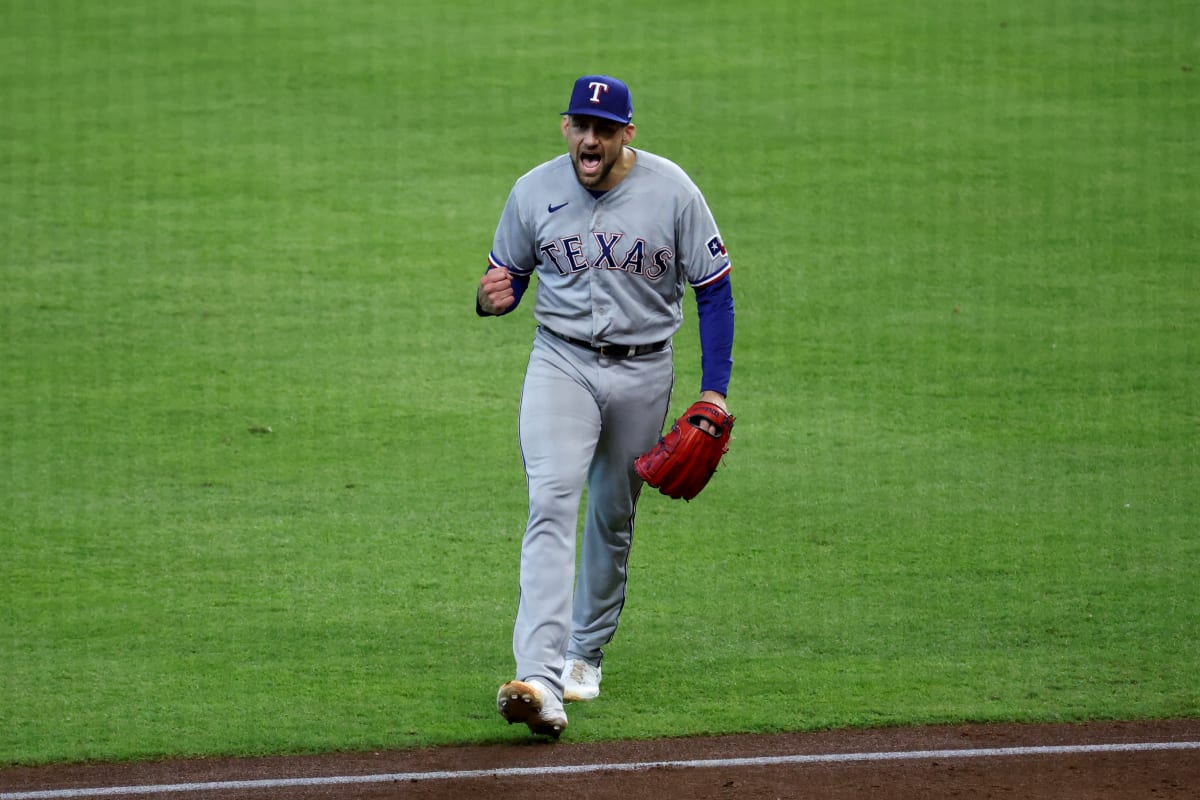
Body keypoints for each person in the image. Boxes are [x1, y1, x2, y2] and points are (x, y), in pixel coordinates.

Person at [477, 74, 735, 738]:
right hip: (558, 363)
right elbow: (504, 275)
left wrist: (715, 387)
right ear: (566, 127)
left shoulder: (674, 192)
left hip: (644, 370)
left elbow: (713, 289)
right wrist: (489, 298)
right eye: (579, 126)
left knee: (613, 516)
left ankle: (584, 651)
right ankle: (537, 678)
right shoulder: (533, 190)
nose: (589, 140)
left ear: (627, 134)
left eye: (604, 129)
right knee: (551, 502)